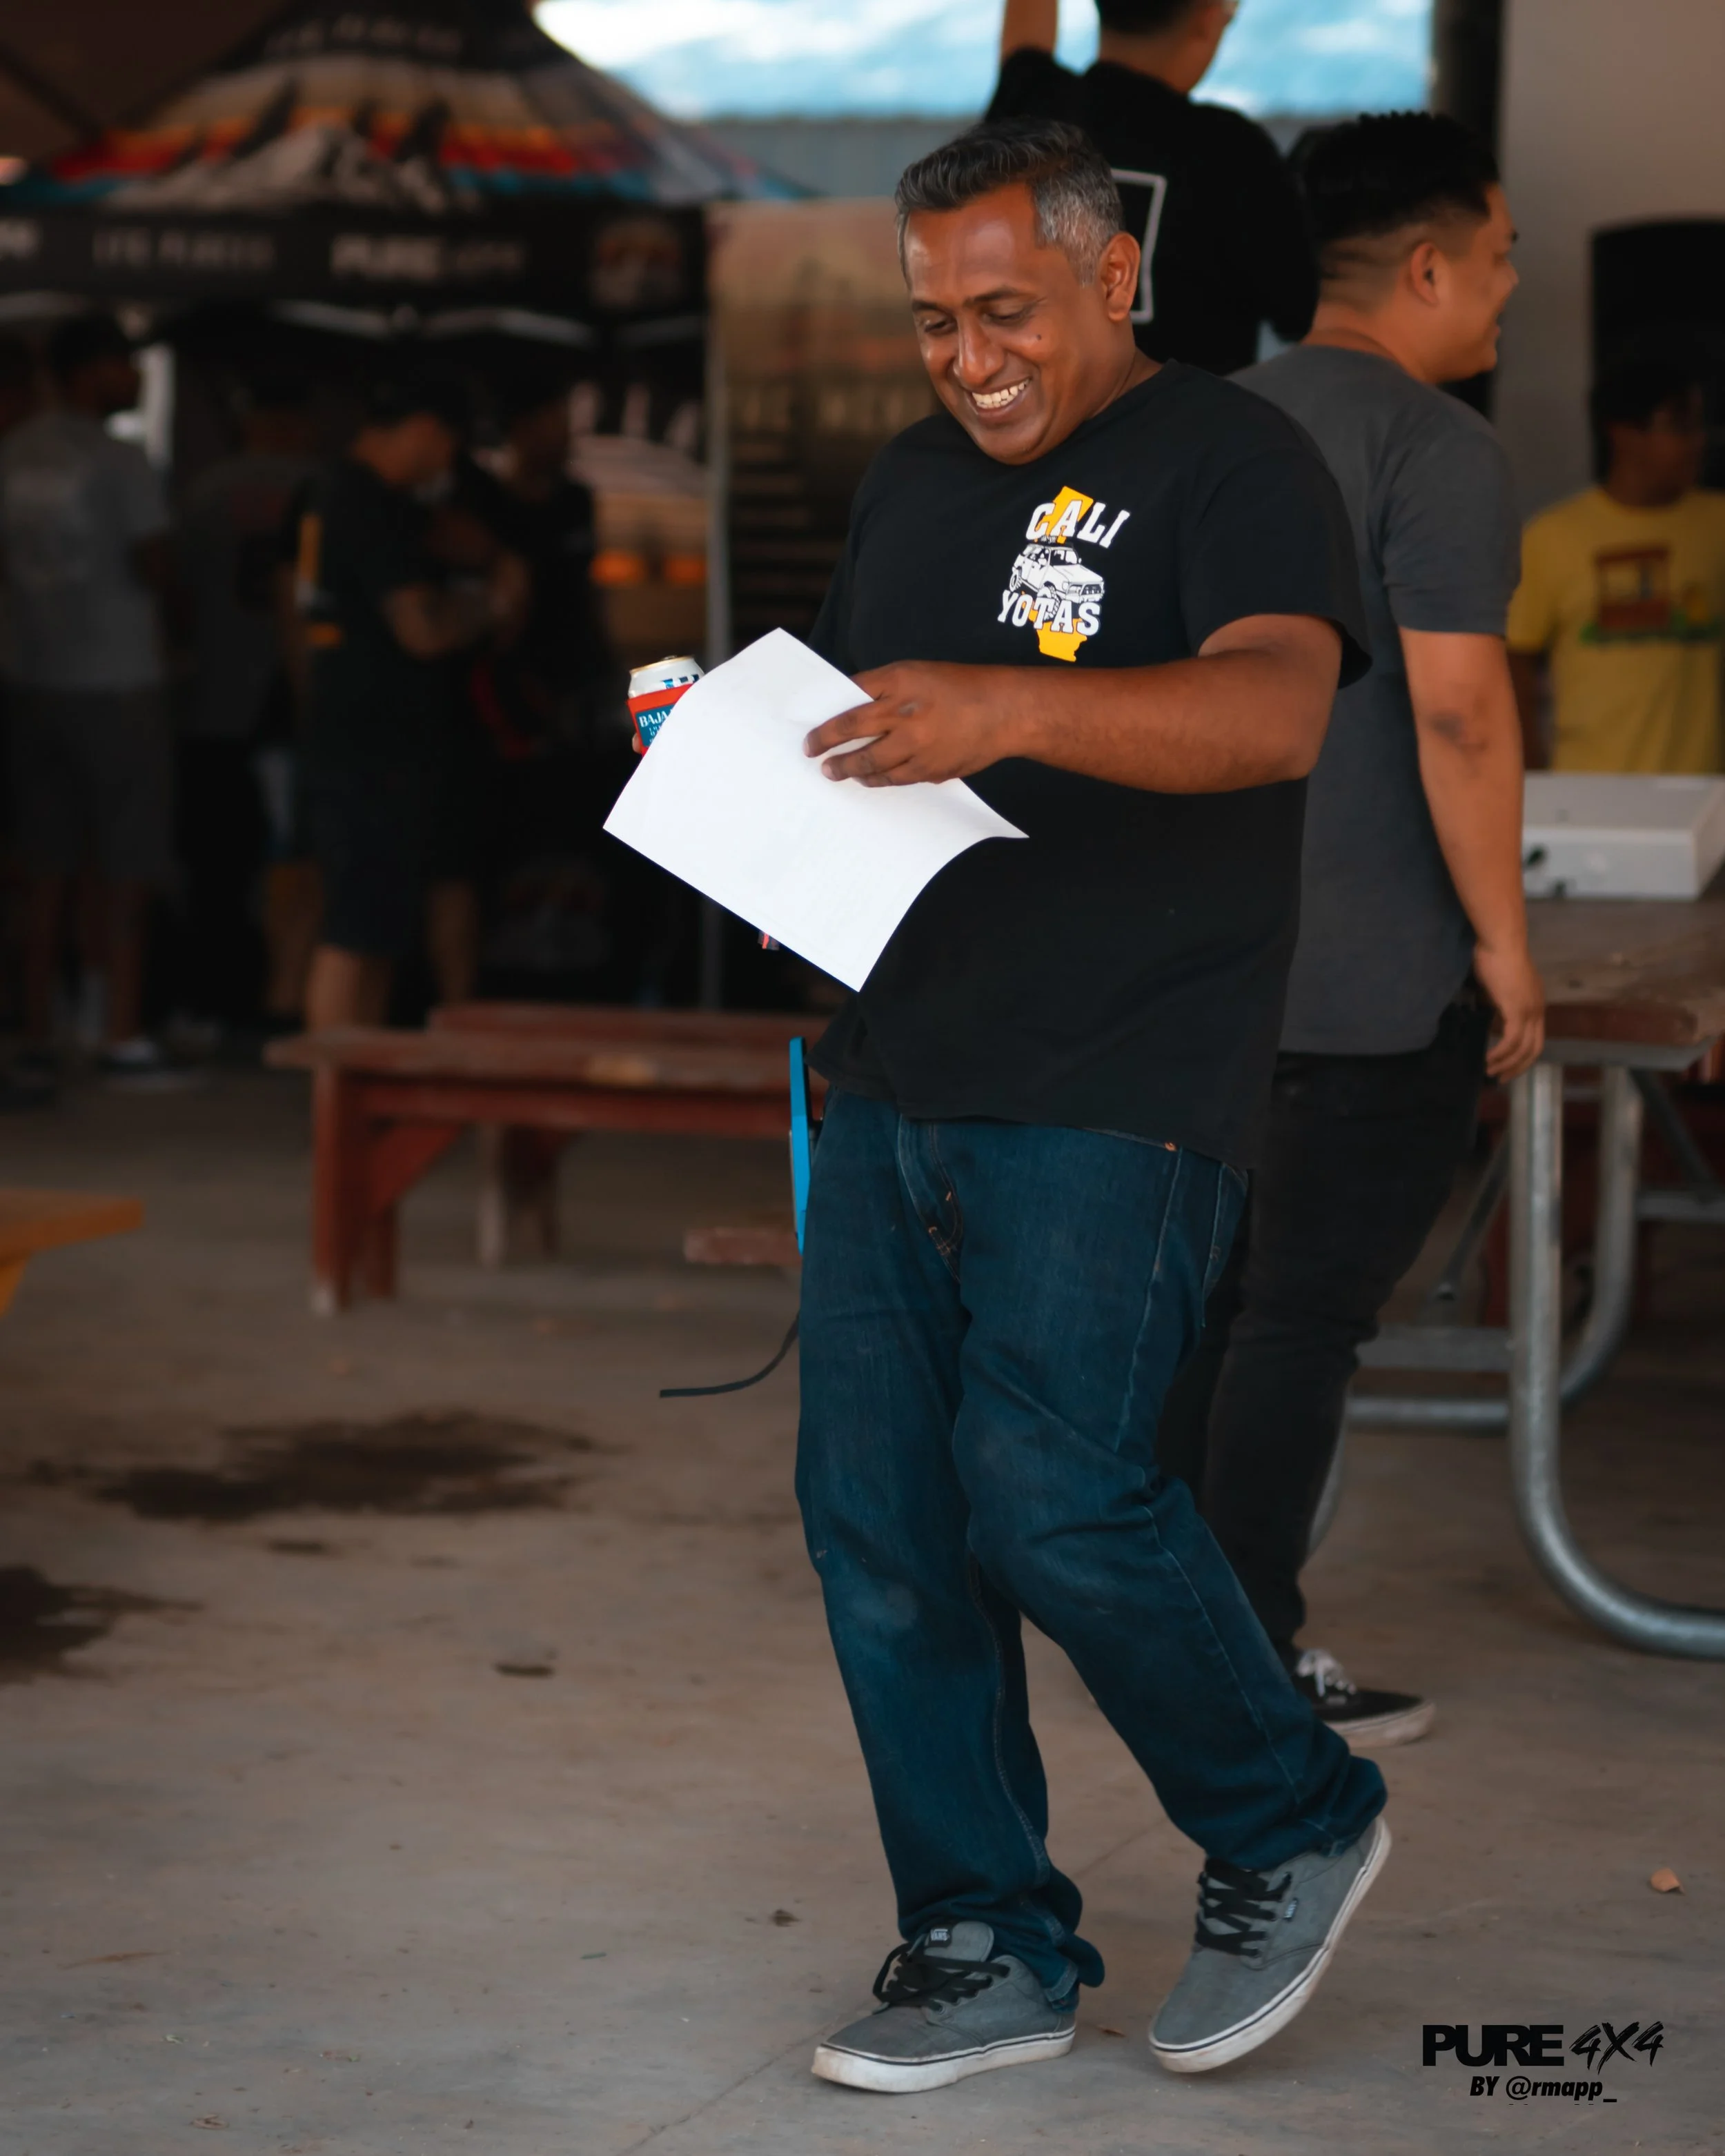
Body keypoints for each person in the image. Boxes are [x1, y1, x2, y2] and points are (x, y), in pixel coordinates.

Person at [793, 119, 1386, 2096]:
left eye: (1004, 310)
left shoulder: (1232, 460)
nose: (967, 358)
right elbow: (874, 749)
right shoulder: (904, 482)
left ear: (1112, 275)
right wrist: (748, 795)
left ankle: (1290, 1812)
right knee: (883, 1522)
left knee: (1052, 1489)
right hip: (896, 1070)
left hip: (1122, 1077)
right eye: (931, 321)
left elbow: (1276, 710)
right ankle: (983, 1941)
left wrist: (1009, 702)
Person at [1156, 112, 1546, 1745]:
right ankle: (1241, 1663)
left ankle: (1167, 1633)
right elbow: (1459, 714)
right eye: (1501, 259)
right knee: (1298, 1320)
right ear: (1429, 267)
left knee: (1201, 1311)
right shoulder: (1436, 448)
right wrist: (1505, 945)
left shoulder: (1201, 423)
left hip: (1195, 971)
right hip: (1370, 983)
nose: (1510, 289)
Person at [293, 369, 526, 1029]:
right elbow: (422, 630)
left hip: (363, 736)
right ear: (426, 431)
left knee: (376, 927)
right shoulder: (365, 500)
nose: (449, 463)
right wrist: (493, 603)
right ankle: (333, 1083)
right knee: (356, 927)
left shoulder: (339, 492)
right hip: (371, 745)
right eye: (450, 444)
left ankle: (353, 1077)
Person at [0, 313, 177, 1085]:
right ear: (86, 371)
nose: (134, 377)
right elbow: (157, 564)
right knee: (127, 863)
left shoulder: (12, 452)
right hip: (116, 679)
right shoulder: (119, 457)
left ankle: (40, 1028)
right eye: (122, 363)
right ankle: (120, 1032)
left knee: (45, 868)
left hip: (31, 679)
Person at [987, 0, 1316, 375]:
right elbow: (1301, 312)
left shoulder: (1028, 107)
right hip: (1193, 413)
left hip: (1032, 408)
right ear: (1208, 18)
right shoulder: (1231, 154)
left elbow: (1025, 38)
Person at [174, 365, 317, 1032]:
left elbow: (173, 594)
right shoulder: (319, 487)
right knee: (296, 861)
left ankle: (220, 1000)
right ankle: (279, 997)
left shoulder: (205, 492)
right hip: (289, 702)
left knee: (219, 866)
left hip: (217, 699)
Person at [1508, 353, 1725, 772]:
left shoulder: (1718, 524)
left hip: (1704, 791)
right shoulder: (1551, 537)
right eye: (1679, 426)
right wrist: (1531, 770)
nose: (1697, 441)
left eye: (1700, 426)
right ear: (1624, 434)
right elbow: (1514, 659)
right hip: (1589, 788)